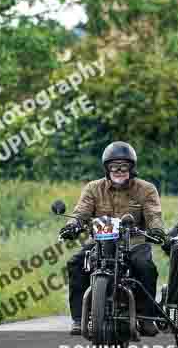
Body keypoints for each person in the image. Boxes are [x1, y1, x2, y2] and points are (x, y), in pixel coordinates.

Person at [58, 141, 166, 336]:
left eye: (124, 166)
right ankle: (77, 318)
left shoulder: (146, 189)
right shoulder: (93, 188)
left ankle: (146, 317)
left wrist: (156, 230)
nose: (119, 170)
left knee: (145, 267)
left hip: (134, 242)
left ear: (132, 168)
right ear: (106, 168)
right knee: (76, 263)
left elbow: (153, 214)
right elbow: (81, 212)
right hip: (100, 241)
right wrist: (72, 226)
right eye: (114, 166)